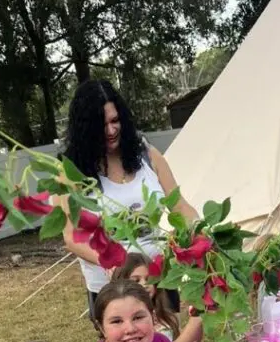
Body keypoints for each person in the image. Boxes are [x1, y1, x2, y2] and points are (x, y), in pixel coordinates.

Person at [60, 80, 197, 317]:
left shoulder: (146, 154)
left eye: (115, 121)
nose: (111, 130)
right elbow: (72, 237)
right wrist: (110, 263)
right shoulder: (71, 172)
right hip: (112, 288)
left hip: (157, 278)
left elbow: (179, 205)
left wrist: (199, 233)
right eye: (101, 125)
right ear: (86, 128)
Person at [113, 253, 209, 342]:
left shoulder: (162, 313)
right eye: (136, 280)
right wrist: (195, 321)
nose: (144, 284)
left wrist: (199, 315)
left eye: (149, 279)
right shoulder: (128, 325)